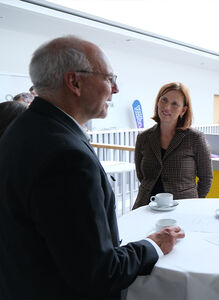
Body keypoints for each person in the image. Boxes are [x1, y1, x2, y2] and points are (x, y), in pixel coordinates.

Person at [0, 36, 184, 300]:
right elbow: (99, 272)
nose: (116, 89)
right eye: (109, 78)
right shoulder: (66, 157)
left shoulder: (24, 129)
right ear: (75, 82)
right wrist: (154, 244)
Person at [133, 82, 213, 209]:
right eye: (164, 100)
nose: (167, 107)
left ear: (183, 110)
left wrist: (194, 203)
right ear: (158, 102)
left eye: (174, 104)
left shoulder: (195, 138)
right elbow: (142, 176)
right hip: (146, 206)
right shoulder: (143, 137)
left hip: (183, 208)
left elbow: (206, 178)